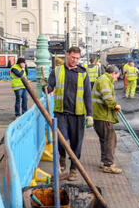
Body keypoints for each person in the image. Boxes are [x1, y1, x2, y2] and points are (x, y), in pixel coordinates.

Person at [45, 47, 93, 181]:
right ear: (67, 55)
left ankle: (73, 169)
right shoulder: (57, 71)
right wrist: (45, 86)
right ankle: (62, 155)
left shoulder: (83, 73)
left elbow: (88, 95)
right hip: (61, 113)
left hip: (77, 114)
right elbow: (49, 88)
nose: (75, 60)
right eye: (73, 57)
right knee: (61, 138)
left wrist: (90, 114)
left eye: (77, 58)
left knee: (76, 143)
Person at [92, 65, 123, 174]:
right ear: (113, 73)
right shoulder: (105, 81)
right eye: (117, 77)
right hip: (103, 116)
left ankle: (104, 161)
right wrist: (115, 105)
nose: (116, 79)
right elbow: (107, 98)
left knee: (104, 139)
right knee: (110, 139)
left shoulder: (102, 79)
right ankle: (108, 164)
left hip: (99, 115)